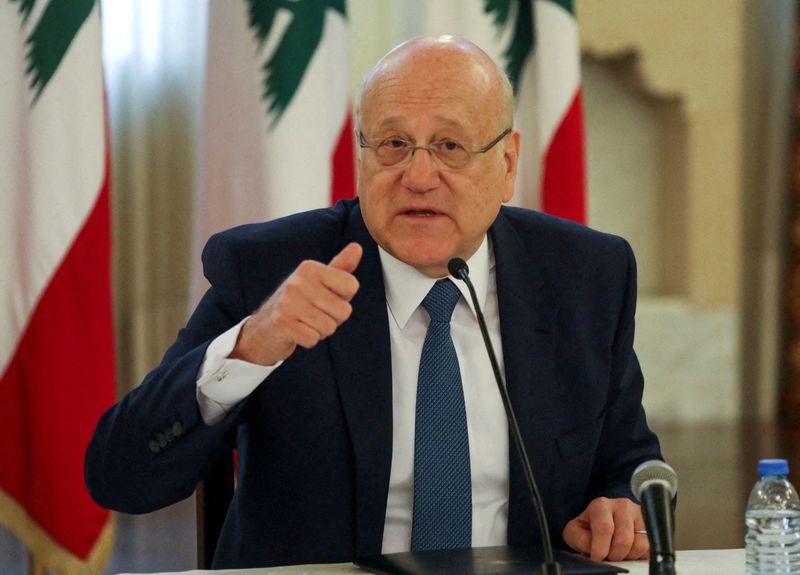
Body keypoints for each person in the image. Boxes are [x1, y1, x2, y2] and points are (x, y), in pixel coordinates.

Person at [86, 36, 662, 569]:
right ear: (362, 156)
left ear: (507, 164)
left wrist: (619, 506)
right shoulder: (270, 271)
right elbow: (121, 478)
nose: (417, 175)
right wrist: (251, 345)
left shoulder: (584, 276)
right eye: (392, 144)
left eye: (449, 146)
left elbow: (630, 464)